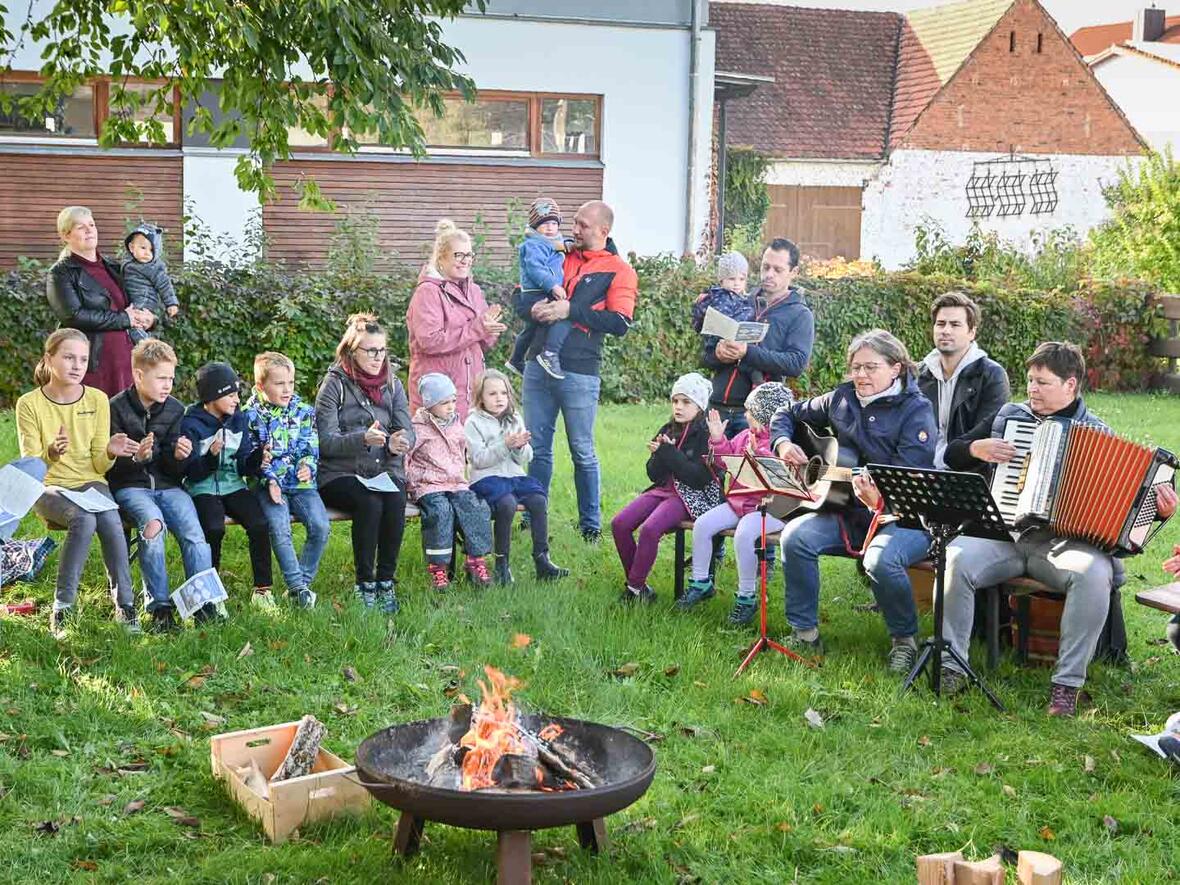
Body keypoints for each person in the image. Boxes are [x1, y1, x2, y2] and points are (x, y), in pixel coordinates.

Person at [939, 342, 1178, 715]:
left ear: (1071, 385)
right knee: (954, 559)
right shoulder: (1008, 416)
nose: (1031, 389)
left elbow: (1131, 509)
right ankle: (952, 666)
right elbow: (953, 453)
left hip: (1060, 544)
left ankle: (1067, 686)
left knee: (1095, 571)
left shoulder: (1099, 433)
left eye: (1042, 382)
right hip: (1004, 535)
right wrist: (976, 450)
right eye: (1030, 380)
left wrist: (1161, 511)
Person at [771, 329, 936, 672]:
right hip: (845, 510)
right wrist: (784, 444)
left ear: (897, 369)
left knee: (880, 561)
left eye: (870, 367)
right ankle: (804, 634)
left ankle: (905, 641)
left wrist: (880, 497)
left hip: (904, 516)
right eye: (856, 367)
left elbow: (910, 473)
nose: (860, 375)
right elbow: (785, 414)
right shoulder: (840, 398)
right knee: (795, 537)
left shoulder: (916, 409)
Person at [519, 200, 638, 542]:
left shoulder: (620, 270)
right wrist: (534, 309)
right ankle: (532, 517)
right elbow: (521, 293)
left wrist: (571, 309)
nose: (574, 229)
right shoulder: (559, 253)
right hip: (537, 363)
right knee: (537, 448)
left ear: (603, 230)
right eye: (574, 222)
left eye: (582, 224)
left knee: (582, 450)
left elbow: (619, 323)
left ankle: (590, 525)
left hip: (580, 371)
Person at [16, 329, 138, 636]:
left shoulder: (97, 399)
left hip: (90, 483)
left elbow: (98, 464)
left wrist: (110, 452)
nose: (77, 365)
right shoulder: (29, 404)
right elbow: (31, 465)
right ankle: (63, 610)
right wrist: (51, 453)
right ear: (49, 359)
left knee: (111, 519)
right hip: (47, 485)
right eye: (69, 357)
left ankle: (125, 607)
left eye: (83, 359)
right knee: (83, 521)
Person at [108, 339, 212, 633]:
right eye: (161, 378)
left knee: (193, 531)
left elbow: (172, 468)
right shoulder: (115, 408)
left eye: (171, 378)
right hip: (130, 486)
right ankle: (160, 609)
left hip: (168, 486)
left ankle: (201, 603)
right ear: (139, 376)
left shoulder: (175, 409)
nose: (168, 385)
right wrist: (136, 459)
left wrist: (180, 456)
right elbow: (110, 468)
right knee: (153, 526)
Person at [315, 314, 413, 614]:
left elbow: (407, 427)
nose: (377, 357)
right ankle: (364, 585)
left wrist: (401, 441)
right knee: (370, 503)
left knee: (395, 500)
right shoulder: (334, 384)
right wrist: (362, 439)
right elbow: (324, 440)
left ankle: (386, 582)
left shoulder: (393, 384)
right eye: (370, 351)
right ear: (351, 352)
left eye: (382, 350)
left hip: (383, 469)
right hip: (340, 473)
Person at [677, 382, 796, 624]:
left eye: (750, 410)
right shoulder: (745, 435)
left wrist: (759, 454)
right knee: (703, 524)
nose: (745, 415)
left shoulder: (783, 442)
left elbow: (781, 479)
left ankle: (747, 597)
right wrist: (718, 440)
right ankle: (701, 582)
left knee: (744, 534)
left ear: (764, 414)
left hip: (770, 508)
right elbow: (724, 462)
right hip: (739, 503)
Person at [611, 372, 720, 604]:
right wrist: (659, 455)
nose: (678, 407)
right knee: (619, 523)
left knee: (650, 529)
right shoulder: (668, 428)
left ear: (699, 405)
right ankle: (640, 588)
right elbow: (652, 473)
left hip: (689, 496)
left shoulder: (705, 433)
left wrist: (669, 453)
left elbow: (697, 478)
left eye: (686, 402)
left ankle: (633, 589)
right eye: (675, 401)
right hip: (662, 489)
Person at [177, 361, 273, 616]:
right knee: (214, 529)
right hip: (202, 487)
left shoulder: (237, 419)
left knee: (259, 524)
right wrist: (210, 457)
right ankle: (212, 595)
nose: (236, 399)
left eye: (237, 394)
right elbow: (190, 471)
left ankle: (263, 591)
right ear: (212, 396)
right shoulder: (191, 423)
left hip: (233, 484)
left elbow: (242, 464)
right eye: (230, 395)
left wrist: (256, 460)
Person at [702, 238, 814, 438]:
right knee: (708, 469)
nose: (769, 274)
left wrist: (747, 352)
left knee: (747, 469)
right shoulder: (738, 300)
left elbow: (796, 363)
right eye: (765, 267)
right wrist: (718, 353)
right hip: (716, 407)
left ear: (794, 273)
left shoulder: (799, 314)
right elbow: (705, 356)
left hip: (756, 416)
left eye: (777, 270)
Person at [465, 368, 568, 585]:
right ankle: (502, 565)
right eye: (492, 394)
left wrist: (520, 447)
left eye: (503, 393)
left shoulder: (514, 418)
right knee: (507, 504)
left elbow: (525, 458)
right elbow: (478, 459)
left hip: (513, 476)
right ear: (481, 398)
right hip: (487, 478)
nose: (499, 398)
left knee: (539, 499)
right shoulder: (473, 422)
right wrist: (505, 445)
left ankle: (542, 559)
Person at [244, 351, 328, 610]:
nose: (286, 389)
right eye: (279, 384)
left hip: (302, 486)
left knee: (320, 527)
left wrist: (307, 466)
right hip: (268, 486)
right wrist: (270, 479)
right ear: (261, 386)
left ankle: (299, 584)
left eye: (290, 383)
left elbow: (310, 447)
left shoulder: (304, 412)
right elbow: (252, 458)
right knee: (280, 529)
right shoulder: (249, 415)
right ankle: (299, 590)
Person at [46, 206, 156, 396]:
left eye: (92, 225)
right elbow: (73, 316)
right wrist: (124, 319)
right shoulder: (61, 273)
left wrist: (150, 319)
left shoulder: (115, 268)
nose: (89, 230)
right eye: (81, 227)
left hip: (128, 360)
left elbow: (138, 301)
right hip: (94, 365)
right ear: (66, 235)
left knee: (125, 422)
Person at [406, 219, 506, 420]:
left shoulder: (474, 290)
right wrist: (478, 329)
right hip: (438, 397)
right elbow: (429, 341)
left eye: (469, 255)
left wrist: (490, 331)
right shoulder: (427, 292)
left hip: (471, 392)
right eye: (458, 255)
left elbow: (481, 341)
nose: (465, 260)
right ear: (441, 259)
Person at [407, 373, 494, 590]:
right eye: (444, 403)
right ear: (429, 404)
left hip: (455, 482)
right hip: (428, 484)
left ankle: (475, 560)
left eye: (453, 401)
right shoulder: (418, 427)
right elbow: (404, 457)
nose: (451, 407)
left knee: (474, 506)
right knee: (440, 512)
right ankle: (438, 569)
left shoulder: (456, 424)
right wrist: (408, 483)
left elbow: (462, 453)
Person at [915, 291, 1011, 471]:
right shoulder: (918, 374)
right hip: (919, 472)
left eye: (955, 324)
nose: (946, 330)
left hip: (965, 476)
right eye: (940, 324)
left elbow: (985, 435)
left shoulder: (991, 375)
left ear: (971, 332)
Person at [507, 197, 570, 379]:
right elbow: (536, 269)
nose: (550, 228)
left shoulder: (553, 243)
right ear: (535, 226)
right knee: (558, 317)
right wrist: (553, 286)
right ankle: (549, 353)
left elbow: (565, 246)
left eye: (553, 223)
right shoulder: (534, 245)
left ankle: (516, 359)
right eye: (544, 224)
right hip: (537, 291)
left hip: (541, 290)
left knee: (531, 329)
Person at [693, 252, 762, 388]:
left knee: (748, 360)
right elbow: (698, 319)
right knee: (746, 364)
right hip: (716, 342)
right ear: (721, 280)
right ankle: (757, 382)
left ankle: (756, 383)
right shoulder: (716, 296)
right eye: (732, 279)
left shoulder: (745, 300)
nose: (737, 284)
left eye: (741, 279)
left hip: (736, 339)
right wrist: (701, 310)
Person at [121, 224, 180, 344]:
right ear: (131, 248)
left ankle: (147, 346)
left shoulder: (153, 267)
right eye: (143, 248)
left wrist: (171, 303)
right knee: (134, 325)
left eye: (152, 250)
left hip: (144, 300)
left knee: (134, 324)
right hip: (133, 299)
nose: (147, 253)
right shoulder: (128, 263)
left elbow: (164, 284)